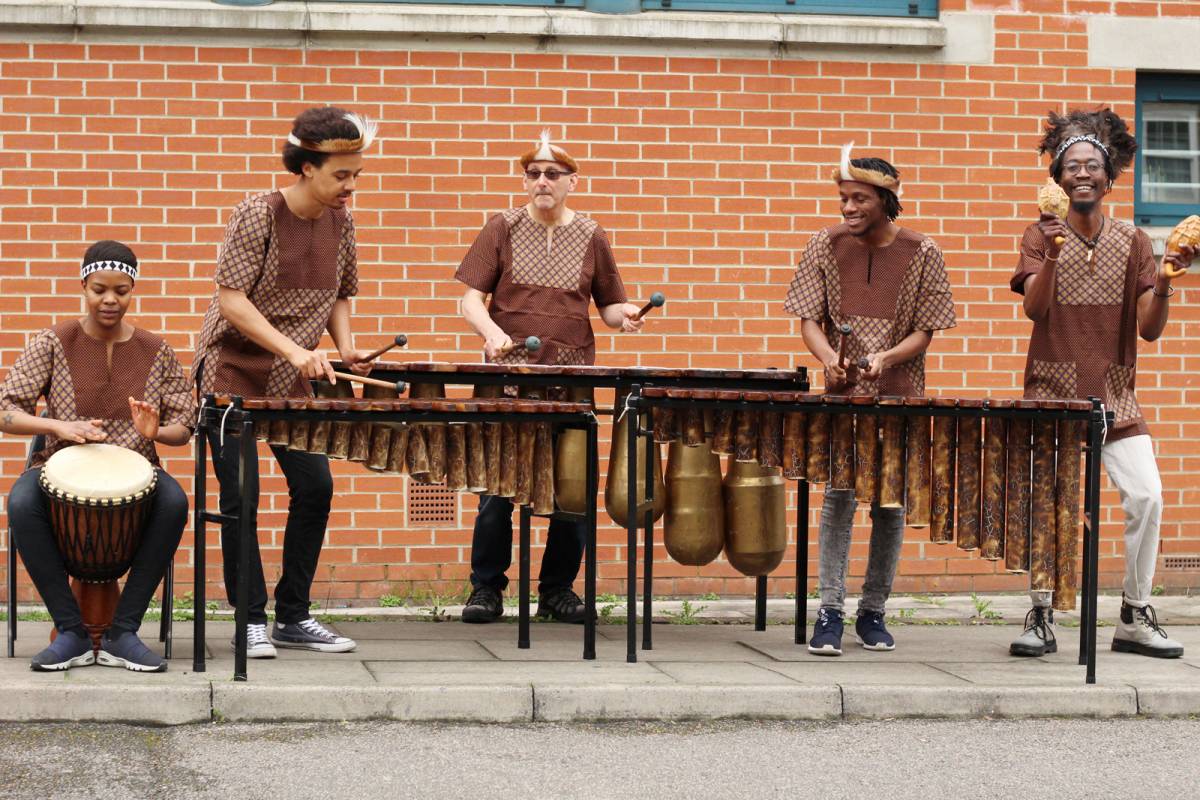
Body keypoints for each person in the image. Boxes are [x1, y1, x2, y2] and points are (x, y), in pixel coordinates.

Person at [191, 106, 379, 657]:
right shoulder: (257, 214)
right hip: (232, 370)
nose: (351, 186)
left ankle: (293, 616)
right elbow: (231, 298)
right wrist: (297, 349)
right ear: (305, 168)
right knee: (241, 495)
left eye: (357, 175)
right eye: (341, 175)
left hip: (292, 374)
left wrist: (343, 348)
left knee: (315, 488)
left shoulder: (343, 221)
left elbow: (342, 292)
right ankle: (249, 620)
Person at [1008, 109, 1194, 659]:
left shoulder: (1135, 240)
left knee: (1147, 496)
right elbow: (1035, 311)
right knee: (1049, 504)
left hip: (1116, 394)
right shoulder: (1038, 233)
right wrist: (1052, 254)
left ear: (1109, 178)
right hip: (1052, 390)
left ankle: (1134, 615)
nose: (1082, 174)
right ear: (1057, 180)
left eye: (1093, 165)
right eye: (1071, 166)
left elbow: (1150, 331)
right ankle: (1041, 614)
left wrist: (1162, 282)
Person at [455, 131, 644, 624]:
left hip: (572, 376)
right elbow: (469, 299)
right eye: (533, 174)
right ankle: (486, 589)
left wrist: (627, 315)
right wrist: (492, 332)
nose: (541, 181)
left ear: (572, 183)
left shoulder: (592, 234)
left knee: (572, 489)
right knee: (497, 487)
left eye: (552, 174)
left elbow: (606, 308)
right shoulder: (502, 227)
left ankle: (558, 590)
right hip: (509, 377)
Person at [784, 145, 956, 655]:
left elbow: (926, 332)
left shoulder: (924, 252)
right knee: (838, 498)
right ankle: (829, 610)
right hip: (843, 396)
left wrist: (886, 357)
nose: (848, 207)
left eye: (859, 198)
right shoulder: (824, 244)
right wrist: (826, 358)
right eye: (843, 198)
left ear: (886, 198)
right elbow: (808, 320)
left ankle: (873, 611)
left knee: (889, 504)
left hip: (900, 395)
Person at [1, 240, 193, 672]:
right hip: (58, 463)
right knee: (21, 502)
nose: (110, 300)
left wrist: (155, 431)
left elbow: (185, 424)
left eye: (121, 291)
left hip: (138, 469)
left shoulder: (155, 349)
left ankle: (122, 632)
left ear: (132, 290)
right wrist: (57, 427)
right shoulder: (54, 340)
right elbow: (5, 409)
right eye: (100, 289)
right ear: (84, 286)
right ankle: (70, 631)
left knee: (175, 502)